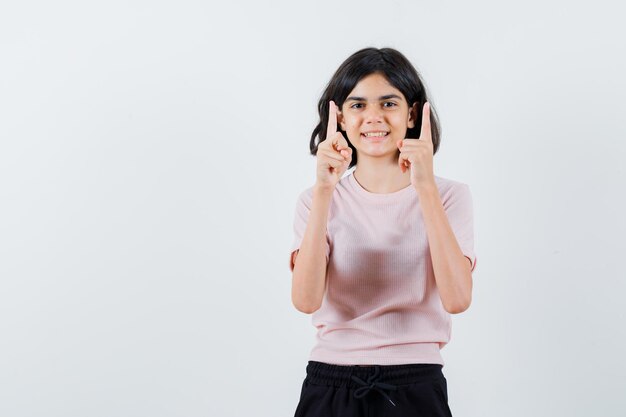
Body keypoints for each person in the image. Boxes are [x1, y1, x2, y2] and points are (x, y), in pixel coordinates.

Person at [289, 47, 477, 417]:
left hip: (416, 384)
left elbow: (457, 299)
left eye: (388, 103)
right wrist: (326, 191)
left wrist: (424, 187)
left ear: (411, 113)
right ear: (339, 116)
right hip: (330, 383)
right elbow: (306, 301)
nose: (373, 117)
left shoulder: (450, 196)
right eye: (358, 105)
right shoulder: (314, 200)